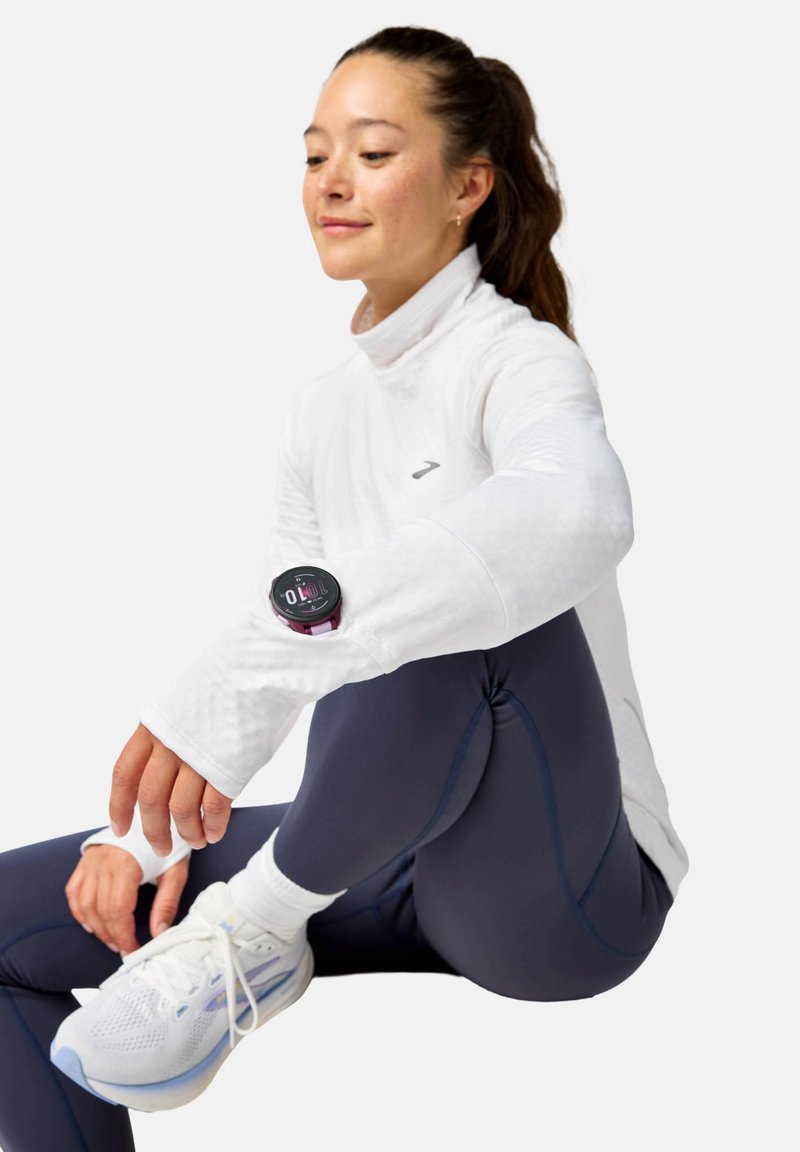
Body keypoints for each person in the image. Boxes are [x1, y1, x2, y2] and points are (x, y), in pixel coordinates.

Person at [0, 24, 689, 1151]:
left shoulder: (519, 360)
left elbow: (581, 513)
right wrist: (152, 847)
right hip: (376, 843)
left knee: (458, 608)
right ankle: (247, 922)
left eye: (371, 153)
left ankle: (255, 930)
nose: (330, 180)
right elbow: (293, 659)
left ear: (468, 186)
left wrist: (252, 656)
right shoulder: (321, 413)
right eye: (315, 153)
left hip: (562, 889)